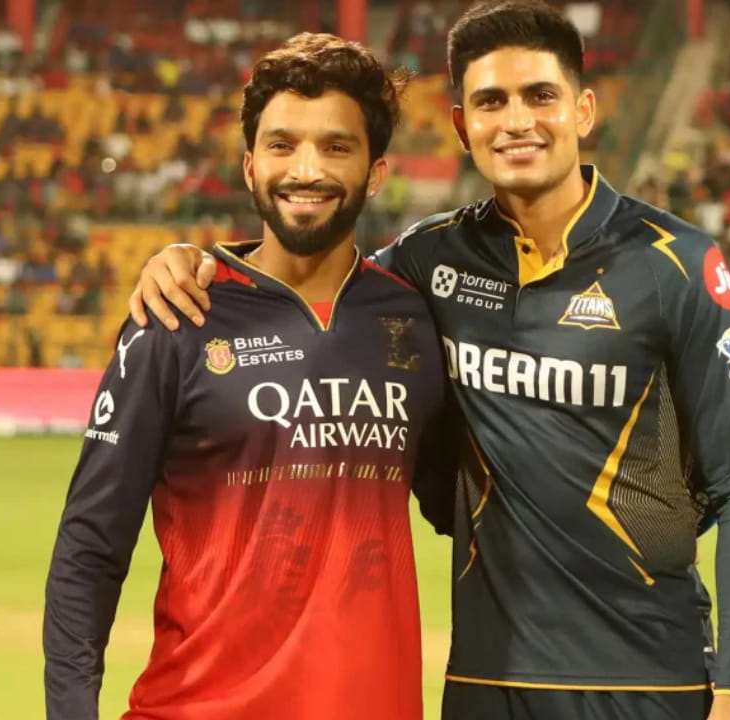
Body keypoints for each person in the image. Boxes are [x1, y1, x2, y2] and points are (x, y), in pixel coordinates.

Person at [124, 2, 730, 719]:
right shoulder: (428, 261)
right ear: (464, 127)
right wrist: (196, 262)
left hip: (651, 680)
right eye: (492, 102)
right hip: (484, 683)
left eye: (540, 95)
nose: (517, 121)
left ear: (584, 110)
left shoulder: (676, 265)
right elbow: (306, 280)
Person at [43, 33, 458, 720]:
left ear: (376, 172)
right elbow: (90, 544)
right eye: (281, 145)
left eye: (336, 147)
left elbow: (467, 510)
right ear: (249, 166)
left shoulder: (412, 319)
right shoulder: (177, 315)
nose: (306, 169)